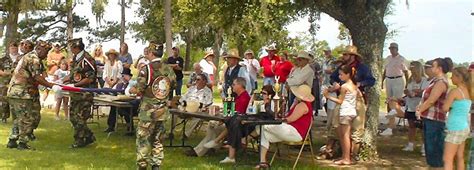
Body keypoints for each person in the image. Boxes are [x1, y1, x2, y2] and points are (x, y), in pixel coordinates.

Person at [129, 44, 175, 170]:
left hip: (148, 112)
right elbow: (173, 85)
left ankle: (142, 165)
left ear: (151, 53)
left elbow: (140, 89)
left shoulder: (146, 69)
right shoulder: (169, 69)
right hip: (162, 111)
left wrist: (131, 90)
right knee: (158, 140)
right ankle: (156, 165)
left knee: (143, 139)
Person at [6, 40, 59, 150]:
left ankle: (12, 140)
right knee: (26, 118)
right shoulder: (34, 58)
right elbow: (37, 77)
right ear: (40, 49)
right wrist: (51, 86)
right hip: (22, 93)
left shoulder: (28, 56)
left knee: (18, 118)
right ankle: (22, 143)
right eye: (46, 52)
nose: (46, 55)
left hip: (14, 92)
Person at [253, 84, 313, 168]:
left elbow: (290, 119)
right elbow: (288, 115)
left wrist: (280, 119)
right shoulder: (299, 103)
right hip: (290, 130)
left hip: (295, 132)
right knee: (264, 131)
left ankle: (262, 160)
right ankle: (262, 161)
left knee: (265, 126)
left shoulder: (303, 105)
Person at [416, 57, 453, 168]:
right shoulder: (434, 81)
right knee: (430, 150)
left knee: (435, 150)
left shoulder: (441, 82)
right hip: (429, 118)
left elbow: (432, 100)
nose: (431, 68)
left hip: (435, 120)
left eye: (433, 66)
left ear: (439, 68)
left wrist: (420, 110)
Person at [324, 65, 362, 165]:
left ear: (348, 74)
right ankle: (345, 156)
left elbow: (340, 101)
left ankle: (347, 158)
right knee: (343, 135)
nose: (340, 77)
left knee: (345, 136)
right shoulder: (354, 86)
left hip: (345, 112)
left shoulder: (345, 86)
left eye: (341, 75)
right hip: (351, 111)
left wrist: (328, 96)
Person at [63, 38, 97, 148]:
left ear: (76, 47)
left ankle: (80, 140)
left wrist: (75, 85)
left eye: (71, 47)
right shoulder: (76, 58)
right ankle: (89, 136)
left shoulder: (87, 59)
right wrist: (65, 80)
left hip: (84, 94)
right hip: (75, 93)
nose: (70, 49)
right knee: (73, 117)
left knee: (80, 118)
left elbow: (90, 78)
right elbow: (74, 74)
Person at [394, 61, 429, 153]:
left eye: (413, 68)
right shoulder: (410, 80)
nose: (411, 71)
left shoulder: (425, 80)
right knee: (411, 126)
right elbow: (409, 91)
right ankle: (410, 144)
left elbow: (425, 93)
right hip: (410, 105)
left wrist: (415, 93)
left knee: (422, 128)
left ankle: (424, 147)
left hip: (419, 106)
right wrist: (406, 95)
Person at [215, 77, 252, 164]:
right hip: (233, 122)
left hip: (242, 125)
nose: (232, 86)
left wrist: (225, 116)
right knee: (212, 125)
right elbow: (230, 110)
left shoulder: (244, 98)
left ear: (240, 85)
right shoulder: (238, 97)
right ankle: (211, 145)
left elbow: (238, 114)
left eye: (234, 84)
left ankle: (215, 143)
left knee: (228, 125)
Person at [442, 67, 472, 170]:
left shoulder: (455, 91)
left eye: (453, 75)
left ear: (459, 78)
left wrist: (449, 105)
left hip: (455, 128)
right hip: (464, 127)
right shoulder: (469, 91)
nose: (451, 78)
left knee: (447, 159)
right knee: (460, 157)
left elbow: (445, 108)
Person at [380, 42, 409, 136]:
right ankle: (390, 120)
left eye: (393, 48)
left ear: (397, 49)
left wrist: (407, 84)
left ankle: (396, 120)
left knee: (396, 100)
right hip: (389, 79)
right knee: (389, 100)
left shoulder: (401, 59)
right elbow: (385, 70)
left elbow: (405, 72)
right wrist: (382, 81)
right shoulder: (388, 58)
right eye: (390, 48)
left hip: (398, 79)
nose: (391, 50)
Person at [104, 68, 139, 135]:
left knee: (124, 109)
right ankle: (111, 126)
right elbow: (113, 91)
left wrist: (129, 80)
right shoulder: (120, 84)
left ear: (129, 76)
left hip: (133, 104)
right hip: (122, 102)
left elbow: (133, 92)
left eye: (125, 76)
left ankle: (130, 128)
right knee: (114, 106)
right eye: (122, 76)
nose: (123, 77)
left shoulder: (133, 83)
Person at [0, 42, 21, 123]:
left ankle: (17, 118)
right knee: (3, 100)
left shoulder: (22, 58)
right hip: (5, 82)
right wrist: (4, 73)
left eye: (15, 47)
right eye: (11, 47)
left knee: (17, 100)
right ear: (9, 48)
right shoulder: (3, 59)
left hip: (18, 82)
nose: (13, 48)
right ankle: (3, 117)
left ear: (17, 48)